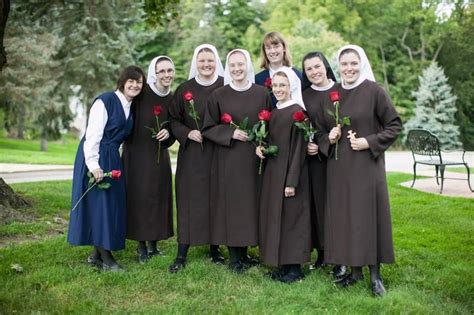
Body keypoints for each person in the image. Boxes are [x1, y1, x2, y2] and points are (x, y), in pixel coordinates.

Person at [313, 44, 402, 297]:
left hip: (366, 168)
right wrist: (329, 138)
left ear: (361, 64)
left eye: (354, 63)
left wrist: (369, 142)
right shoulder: (332, 96)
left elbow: (394, 125)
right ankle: (353, 273)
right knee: (345, 219)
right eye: (344, 64)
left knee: (367, 218)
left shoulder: (375, 92)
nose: (349, 68)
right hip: (339, 169)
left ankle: (375, 277)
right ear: (338, 66)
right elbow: (319, 131)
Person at [68, 65, 145, 271]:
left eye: (139, 82)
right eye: (131, 80)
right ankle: (107, 259)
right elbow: (93, 134)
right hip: (96, 155)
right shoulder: (106, 101)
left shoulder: (131, 107)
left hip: (113, 156)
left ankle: (95, 256)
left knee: (107, 206)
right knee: (101, 206)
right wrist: (94, 164)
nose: (135, 85)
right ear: (123, 81)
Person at [202, 49, 272, 273]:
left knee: (250, 206)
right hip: (228, 160)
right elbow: (208, 127)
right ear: (227, 68)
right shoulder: (218, 95)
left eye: (240, 64)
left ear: (248, 65)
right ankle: (234, 260)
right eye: (232, 65)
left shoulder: (262, 93)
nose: (237, 69)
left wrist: (264, 143)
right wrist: (229, 133)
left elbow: (270, 124)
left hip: (253, 161)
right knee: (232, 207)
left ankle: (244, 254)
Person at [168, 44, 225, 272]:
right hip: (192, 154)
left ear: (216, 61)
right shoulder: (184, 89)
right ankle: (182, 252)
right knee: (190, 199)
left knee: (216, 198)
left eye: (210, 60)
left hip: (218, 152)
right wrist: (187, 132)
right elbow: (173, 120)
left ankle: (215, 247)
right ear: (196, 63)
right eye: (202, 61)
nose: (206, 64)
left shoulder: (225, 85)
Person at [257, 67, 311, 283]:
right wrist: (261, 147)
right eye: (276, 86)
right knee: (278, 219)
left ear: (292, 87)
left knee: (292, 221)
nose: (278, 89)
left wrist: (292, 181)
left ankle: (295, 269)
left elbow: (299, 150)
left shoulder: (298, 112)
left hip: (291, 175)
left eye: (283, 85)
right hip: (274, 173)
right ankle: (282, 264)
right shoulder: (276, 111)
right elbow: (272, 141)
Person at [122, 56, 176, 263]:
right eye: (161, 71)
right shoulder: (142, 94)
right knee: (140, 198)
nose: (166, 75)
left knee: (158, 198)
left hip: (159, 155)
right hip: (136, 154)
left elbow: (173, 126)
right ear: (154, 73)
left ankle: (154, 244)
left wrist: (168, 135)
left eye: (169, 70)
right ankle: (141, 246)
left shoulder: (172, 98)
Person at [301, 51, 346, 278]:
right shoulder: (305, 95)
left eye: (317, 67)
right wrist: (310, 143)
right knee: (318, 206)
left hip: (340, 158)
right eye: (309, 69)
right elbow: (304, 126)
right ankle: (322, 254)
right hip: (316, 161)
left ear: (325, 66)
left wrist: (326, 141)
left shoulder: (340, 90)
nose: (314, 72)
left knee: (337, 207)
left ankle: (342, 259)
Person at [254, 32, 302, 106]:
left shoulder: (297, 75)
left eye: (276, 46)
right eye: (268, 48)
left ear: (284, 48)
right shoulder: (258, 80)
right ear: (265, 51)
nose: (273, 51)